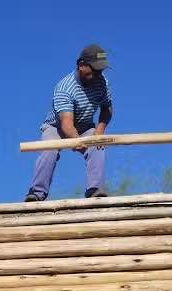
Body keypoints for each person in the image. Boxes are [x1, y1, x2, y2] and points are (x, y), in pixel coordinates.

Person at [25, 44, 113, 202]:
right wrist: (75, 139)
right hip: (57, 126)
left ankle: (95, 191)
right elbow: (66, 123)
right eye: (95, 70)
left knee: (98, 146)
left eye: (101, 70)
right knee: (49, 149)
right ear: (82, 66)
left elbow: (107, 109)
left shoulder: (102, 83)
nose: (99, 74)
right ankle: (37, 193)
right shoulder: (65, 88)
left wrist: (100, 129)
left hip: (85, 125)